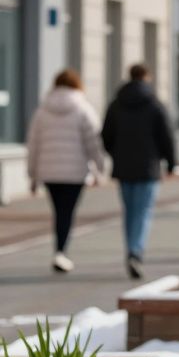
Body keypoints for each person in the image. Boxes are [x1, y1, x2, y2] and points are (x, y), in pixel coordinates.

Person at [26, 69, 106, 274]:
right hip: (75, 172)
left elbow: (34, 144)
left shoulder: (42, 111)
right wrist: (99, 168)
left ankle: (59, 250)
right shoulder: (83, 109)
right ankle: (61, 251)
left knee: (58, 211)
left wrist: (33, 175)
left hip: (49, 171)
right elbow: (93, 142)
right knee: (67, 212)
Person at [102, 63, 178, 279]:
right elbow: (167, 136)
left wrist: (116, 154)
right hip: (148, 167)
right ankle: (136, 251)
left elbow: (106, 135)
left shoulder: (116, 104)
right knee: (143, 211)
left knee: (130, 211)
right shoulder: (154, 104)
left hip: (124, 167)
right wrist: (171, 162)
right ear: (146, 77)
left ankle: (131, 249)